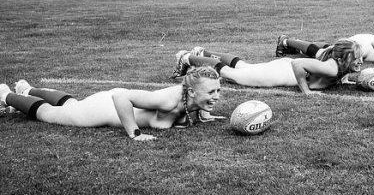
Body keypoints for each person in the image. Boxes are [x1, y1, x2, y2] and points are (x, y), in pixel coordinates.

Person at [0, 66, 222, 141]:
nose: (217, 96)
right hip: (102, 110)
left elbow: (192, 108)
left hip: (106, 103)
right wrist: (135, 134)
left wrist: (205, 115)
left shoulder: (190, 98)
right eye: (211, 92)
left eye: (218, 90)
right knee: (49, 114)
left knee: (70, 103)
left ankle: (28, 90)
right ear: (192, 91)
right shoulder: (168, 100)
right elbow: (120, 97)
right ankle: (6, 95)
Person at [171, 39, 364, 95]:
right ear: (342, 59)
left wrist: (347, 79)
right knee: (234, 75)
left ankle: (203, 52)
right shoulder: (331, 67)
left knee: (244, 66)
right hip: (278, 74)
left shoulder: (340, 65)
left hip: (281, 68)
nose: (361, 62)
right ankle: (187, 58)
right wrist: (306, 91)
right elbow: (298, 63)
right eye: (356, 58)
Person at [275, 22, 374, 68]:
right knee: (323, 53)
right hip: (364, 44)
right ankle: (286, 41)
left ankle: (292, 44)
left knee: (328, 47)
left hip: (365, 45)